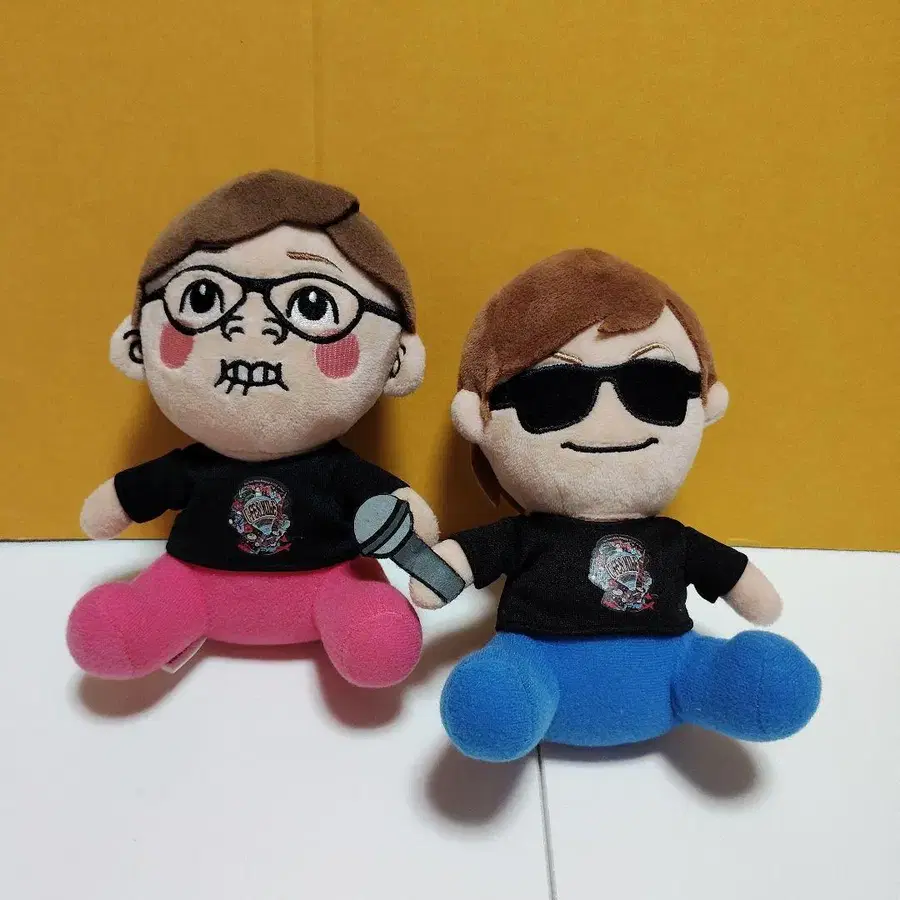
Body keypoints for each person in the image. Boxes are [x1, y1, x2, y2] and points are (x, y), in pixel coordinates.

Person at [410, 249, 821, 761]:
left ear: (704, 403)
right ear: (479, 417)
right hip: (538, 664)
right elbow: (459, 563)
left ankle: (723, 687)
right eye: (554, 394)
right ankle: (510, 701)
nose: (609, 412)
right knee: (495, 702)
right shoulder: (527, 536)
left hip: (673, 671)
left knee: (768, 682)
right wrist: (431, 573)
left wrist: (749, 591)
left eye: (654, 387)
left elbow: (748, 589)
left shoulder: (673, 539)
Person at [67, 170, 436, 688]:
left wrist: (412, 529)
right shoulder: (195, 466)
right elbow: (133, 494)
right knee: (116, 630)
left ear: (396, 362)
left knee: (376, 637)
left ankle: (363, 629)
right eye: (202, 298)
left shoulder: (334, 471)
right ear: (136, 345)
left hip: (329, 582)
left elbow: (397, 513)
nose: (253, 326)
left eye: (311, 304)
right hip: (193, 582)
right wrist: (116, 504)